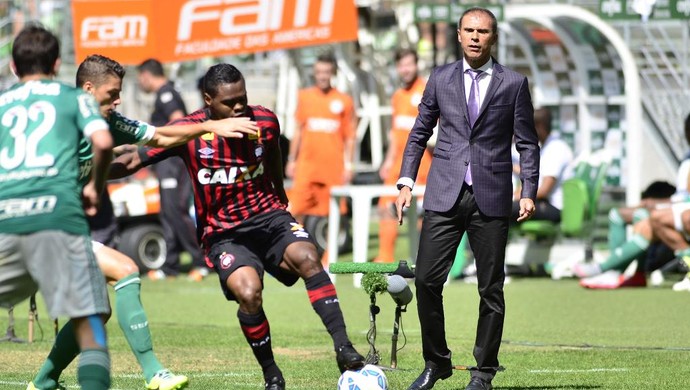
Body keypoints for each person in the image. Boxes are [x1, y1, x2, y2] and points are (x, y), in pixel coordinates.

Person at [111, 63, 365, 390]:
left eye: (242, 98)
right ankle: (272, 373)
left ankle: (343, 348)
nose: (238, 107)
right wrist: (89, 172)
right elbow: (134, 159)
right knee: (249, 293)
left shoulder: (264, 121)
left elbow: (272, 152)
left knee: (309, 257)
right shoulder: (188, 132)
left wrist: (279, 191)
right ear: (208, 101)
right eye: (229, 103)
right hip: (224, 233)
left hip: (269, 217)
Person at [28, 54, 259, 390]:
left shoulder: (110, 121)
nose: (118, 99)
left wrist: (210, 127)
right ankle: (153, 372)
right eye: (112, 93)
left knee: (97, 311)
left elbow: (162, 137)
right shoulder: (57, 120)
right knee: (126, 270)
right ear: (88, 89)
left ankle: (43, 382)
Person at [394, 7, 540, 390]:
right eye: (469, 30)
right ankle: (436, 362)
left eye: (483, 31)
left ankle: (484, 372)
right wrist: (406, 182)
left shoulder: (513, 83)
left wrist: (529, 189)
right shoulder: (440, 78)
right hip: (444, 192)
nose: (476, 36)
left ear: (494, 37)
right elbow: (419, 131)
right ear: (458, 34)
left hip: (492, 195)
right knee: (426, 280)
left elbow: (527, 142)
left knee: (490, 288)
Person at [0, 25, 113, 389]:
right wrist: (95, 186)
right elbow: (103, 141)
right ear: (58, 63)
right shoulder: (73, 97)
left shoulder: (2, 103)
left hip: (8, 221)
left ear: (13, 67)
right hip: (60, 219)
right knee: (92, 318)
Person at [574, 113, 690, 289]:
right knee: (619, 215)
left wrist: (659, 205)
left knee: (650, 219)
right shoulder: (687, 157)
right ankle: (632, 274)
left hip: (681, 211)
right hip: (678, 209)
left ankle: (608, 269)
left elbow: (686, 200)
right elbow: (682, 197)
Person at [137, 58, 207, 281]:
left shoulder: (167, 94)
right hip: (165, 162)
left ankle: (201, 261)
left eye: (140, 78)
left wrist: (155, 138)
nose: (141, 82)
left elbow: (178, 121)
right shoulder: (163, 94)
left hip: (173, 161)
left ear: (147, 75)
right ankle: (171, 265)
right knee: (168, 212)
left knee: (176, 210)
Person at [285, 53, 356, 240]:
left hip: (333, 168)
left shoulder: (344, 101)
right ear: (314, 73)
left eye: (326, 72)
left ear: (332, 73)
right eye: (319, 72)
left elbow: (350, 137)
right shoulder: (305, 97)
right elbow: (298, 131)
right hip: (306, 167)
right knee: (294, 210)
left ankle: (328, 258)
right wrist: (291, 160)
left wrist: (349, 166)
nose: (322, 76)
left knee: (333, 214)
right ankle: (294, 250)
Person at [374, 48, 433, 264]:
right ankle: (384, 258)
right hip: (398, 165)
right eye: (402, 65)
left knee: (421, 216)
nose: (406, 69)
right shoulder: (398, 96)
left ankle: (424, 262)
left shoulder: (428, 89)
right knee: (385, 209)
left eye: (409, 64)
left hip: (422, 165)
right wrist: (388, 161)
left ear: (416, 65)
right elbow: (396, 132)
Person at [511, 107, 573, 223]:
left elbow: (544, 190)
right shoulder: (546, 147)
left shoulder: (555, 149)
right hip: (544, 203)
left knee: (503, 208)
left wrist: (516, 196)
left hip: (553, 207)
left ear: (539, 127)